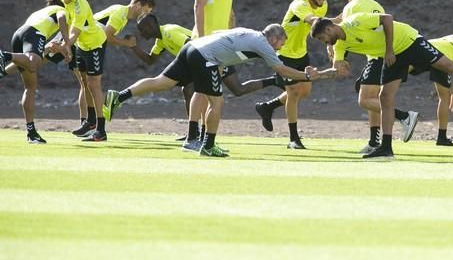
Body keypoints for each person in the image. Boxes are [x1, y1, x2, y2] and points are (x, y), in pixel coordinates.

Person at [104, 24, 335, 157]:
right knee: (218, 102)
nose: (281, 47)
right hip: (206, 57)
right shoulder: (263, 44)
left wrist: (222, 58)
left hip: (192, 47)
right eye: (281, 43)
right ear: (274, 37)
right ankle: (208, 145)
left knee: (163, 81)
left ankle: (120, 96)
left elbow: (218, 32)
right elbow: (281, 69)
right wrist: (306, 75)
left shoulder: (248, 31)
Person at [311, 12, 453, 159]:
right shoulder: (338, 44)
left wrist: (389, 49)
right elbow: (338, 64)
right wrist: (333, 67)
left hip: (408, 41)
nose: (324, 42)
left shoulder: (354, 22)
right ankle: (386, 147)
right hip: (394, 56)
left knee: (451, 66)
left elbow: (387, 18)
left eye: (323, 38)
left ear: (329, 28)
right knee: (385, 96)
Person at [130, 14, 277, 141]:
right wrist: (133, 46)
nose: (142, 33)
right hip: (207, 58)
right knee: (195, 91)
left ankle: (196, 134)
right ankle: (196, 133)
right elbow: (150, 60)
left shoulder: (169, 32)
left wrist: (183, 70)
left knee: (224, 91)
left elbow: (191, 45)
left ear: (152, 25)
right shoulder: (161, 41)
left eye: (143, 29)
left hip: (213, 57)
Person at [335, 0, 419, 153]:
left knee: (364, 100)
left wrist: (340, 58)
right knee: (371, 95)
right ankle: (374, 141)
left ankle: (404, 116)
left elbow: (343, 32)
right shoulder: (375, 4)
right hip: (385, 53)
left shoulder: (351, 7)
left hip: (377, 56)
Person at [255, 0, 329, 149]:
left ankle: (268, 107)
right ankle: (293, 139)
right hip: (284, 53)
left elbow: (319, 29)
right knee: (294, 93)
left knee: (305, 91)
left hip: (301, 54)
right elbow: (314, 21)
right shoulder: (299, 4)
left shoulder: (324, 6)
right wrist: (331, 26)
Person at [189, 0, 241, 143]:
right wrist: (201, 39)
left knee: (207, 90)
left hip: (221, 44)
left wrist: (232, 33)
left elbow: (227, 11)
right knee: (202, 91)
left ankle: (201, 137)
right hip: (205, 42)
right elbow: (198, 6)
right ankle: (192, 137)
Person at [0, 0, 69, 143]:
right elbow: (62, 17)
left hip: (19, 35)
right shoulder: (61, 10)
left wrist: (4, 71)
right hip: (33, 34)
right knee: (32, 64)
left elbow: (30, 54)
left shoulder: (41, 14)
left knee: (30, 87)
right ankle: (4, 55)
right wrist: (67, 43)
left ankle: (31, 133)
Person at [57, 0, 109, 142]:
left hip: (95, 45)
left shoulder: (80, 6)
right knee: (85, 83)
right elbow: (62, 17)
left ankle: (101, 130)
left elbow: (74, 32)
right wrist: (65, 44)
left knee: (94, 84)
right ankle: (91, 122)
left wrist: (65, 46)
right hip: (81, 46)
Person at [410, 34, 453, 146]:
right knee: (444, 98)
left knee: (394, 78)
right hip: (438, 56)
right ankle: (441, 137)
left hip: (421, 48)